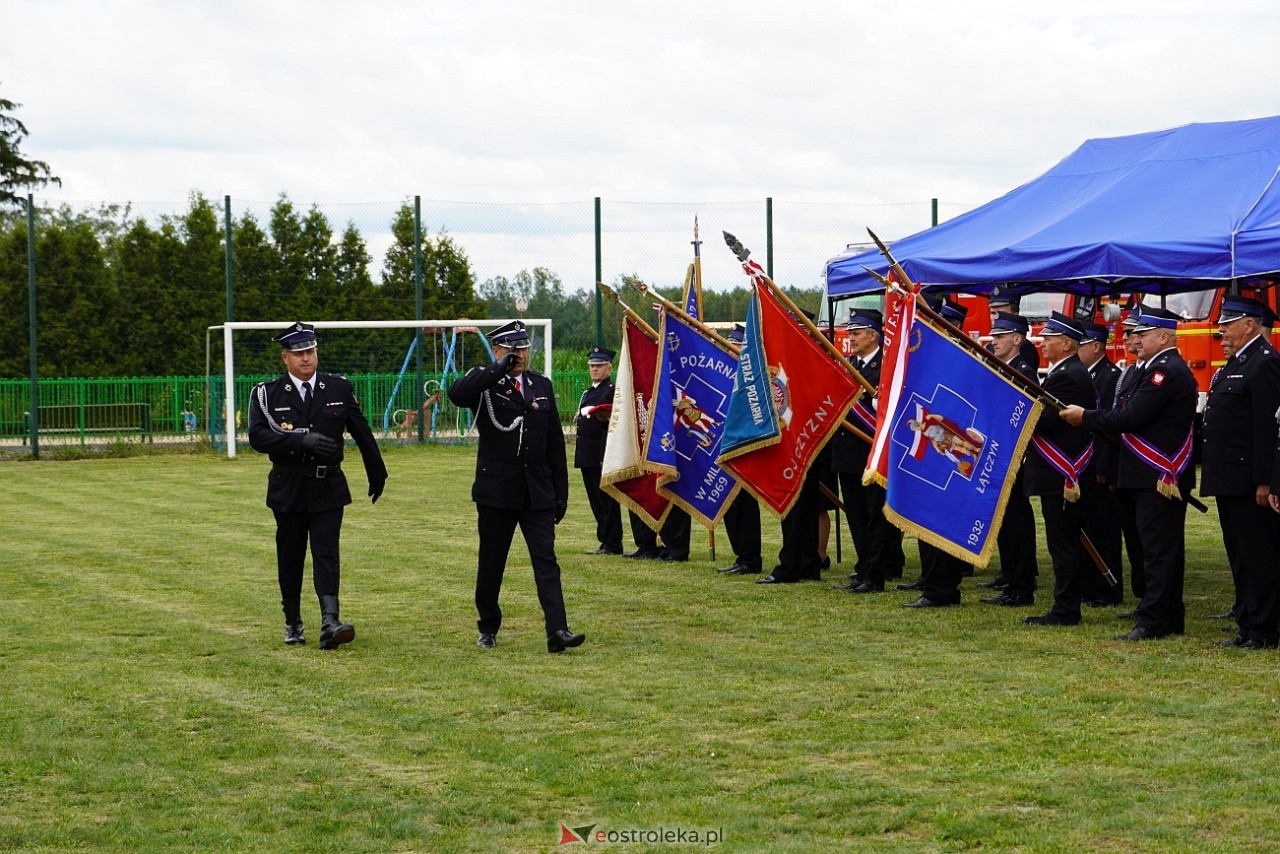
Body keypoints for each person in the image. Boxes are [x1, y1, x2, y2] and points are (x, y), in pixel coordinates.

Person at [447, 320, 585, 653]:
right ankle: (488, 625)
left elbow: (554, 444)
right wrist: (497, 369)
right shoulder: (485, 384)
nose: (519, 354)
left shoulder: (541, 385)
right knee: (492, 563)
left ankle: (558, 630)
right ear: (497, 351)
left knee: (546, 560)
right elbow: (455, 394)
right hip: (497, 492)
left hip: (537, 491)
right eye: (512, 348)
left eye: (523, 348)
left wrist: (561, 494)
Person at [248, 322, 387, 649]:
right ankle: (293, 621)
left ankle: (330, 620)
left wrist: (376, 468)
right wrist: (302, 440)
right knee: (291, 556)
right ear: (285, 357)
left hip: (328, 487)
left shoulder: (337, 388)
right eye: (298, 354)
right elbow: (258, 437)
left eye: (310, 352)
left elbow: (360, 429)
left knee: (327, 553)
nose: (306, 359)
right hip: (289, 486)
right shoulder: (267, 394)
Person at [1061, 305, 1197, 641]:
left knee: (1158, 550)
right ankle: (1164, 612)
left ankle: (1156, 619)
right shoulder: (1146, 369)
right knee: (1149, 548)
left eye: (1143, 333)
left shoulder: (1166, 371)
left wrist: (1086, 417)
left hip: (1157, 474)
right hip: (1138, 472)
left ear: (1164, 336)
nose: (1135, 338)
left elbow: (1130, 417)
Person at [1200, 296, 1280, 649]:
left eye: (1227, 323)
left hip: (1249, 479)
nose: (1221, 331)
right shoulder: (1237, 362)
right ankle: (1248, 623)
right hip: (1229, 477)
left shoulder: (1264, 364)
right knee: (1240, 555)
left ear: (1249, 324)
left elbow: (1268, 429)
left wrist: (1266, 480)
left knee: (1258, 556)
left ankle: (1263, 629)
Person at [1020, 313, 1100, 624]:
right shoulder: (1066, 371)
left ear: (1066, 343)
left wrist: (1018, 415)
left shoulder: (1068, 375)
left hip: (1062, 471)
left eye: (1049, 339)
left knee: (1063, 543)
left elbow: (1049, 418)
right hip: (1058, 472)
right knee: (1063, 540)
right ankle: (1067, 603)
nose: (1042, 343)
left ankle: (1066, 609)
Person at [902, 299, 970, 608]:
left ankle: (943, 588)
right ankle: (931, 582)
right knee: (924, 515)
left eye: (942, 323)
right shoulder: (934, 357)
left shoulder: (966, 358)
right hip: (929, 444)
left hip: (948, 449)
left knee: (943, 519)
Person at [831, 308, 903, 594]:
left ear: (873, 336)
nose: (852, 337)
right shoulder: (850, 366)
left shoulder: (885, 369)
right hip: (847, 453)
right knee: (857, 515)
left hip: (871, 452)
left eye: (857, 333)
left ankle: (875, 574)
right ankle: (863, 567)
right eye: (850, 333)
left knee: (875, 515)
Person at [983, 311, 1040, 606]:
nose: (994, 341)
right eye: (994, 336)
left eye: (1000, 336)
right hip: (1000, 456)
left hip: (1013, 459)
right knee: (1006, 521)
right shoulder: (1004, 368)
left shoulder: (1023, 372)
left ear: (1017, 340)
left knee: (1016, 521)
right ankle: (1011, 578)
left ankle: (1021, 585)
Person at [1078, 320, 1125, 607]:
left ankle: (1108, 590)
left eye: (1081, 345)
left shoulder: (1109, 376)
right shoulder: (1085, 374)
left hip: (1101, 465)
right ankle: (1091, 584)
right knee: (1089, 525)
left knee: (1105, 530)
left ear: (1096, 346)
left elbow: (1109, 426)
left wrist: (1104, 469)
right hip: (1084, 464)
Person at [717, 326, 764, 576]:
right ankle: (741, 555)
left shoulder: (749, 378)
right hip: (724, 446)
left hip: (742, 446)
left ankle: (750, 558)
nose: (728, 350)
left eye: (733, 346)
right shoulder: (724, 374)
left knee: (743, 505)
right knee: (730, 505)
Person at [574, 346, 623, 556]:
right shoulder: (589, 392)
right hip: (587, 453)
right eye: (592, 366)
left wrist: (605, 453)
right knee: (596, 500)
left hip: (600, 453)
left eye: (599, 365)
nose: (594, 369)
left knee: (607, 501)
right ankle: (605, 540)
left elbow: (610, 423)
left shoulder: (610, 390)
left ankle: (612, 542)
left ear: (609, 368)